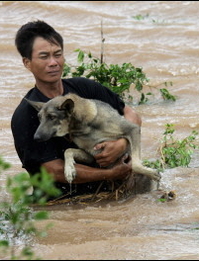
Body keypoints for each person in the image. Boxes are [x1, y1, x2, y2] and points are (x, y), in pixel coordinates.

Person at [11, 20, 143, 200]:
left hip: (113, 193)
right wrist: (111, 174)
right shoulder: (26, 114)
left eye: (57, 54)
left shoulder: (84, 88)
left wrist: (121, 144)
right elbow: (53, 171)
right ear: (27, 63)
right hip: (63, 205)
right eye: (44, 57)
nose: (53, 62)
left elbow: (131, 115)